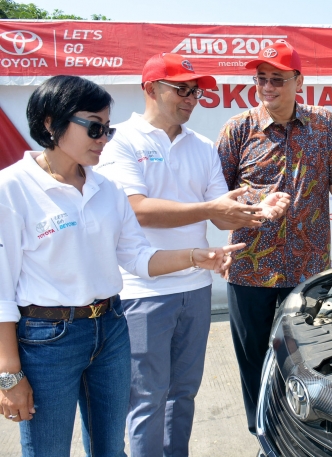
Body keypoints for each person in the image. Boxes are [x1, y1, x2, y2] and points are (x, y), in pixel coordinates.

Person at [0, 75, 242, 457]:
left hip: (110, 329)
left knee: (111, 448)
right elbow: (1, 292)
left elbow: (137, 258)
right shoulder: (12, 188)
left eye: (107, 129)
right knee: (48, 448)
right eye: (94, 127)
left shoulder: (106, 188)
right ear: (50, 123)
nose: (103, 139)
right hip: (47, 339)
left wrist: (196, 257)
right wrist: (9, 374)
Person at [96, 53, 290, 456]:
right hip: (142, 290)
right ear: (150, 88)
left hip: (196, 286)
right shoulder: (122, 141)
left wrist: (258, 210)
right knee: (147, 397)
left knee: (182, 394)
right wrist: (210, 210)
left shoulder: (201, 146)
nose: (190, 98)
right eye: (181, 89)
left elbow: (222, 215)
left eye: (196, 91)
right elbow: (138, 208)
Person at [215, 40, 332, 434]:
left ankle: (302, 432)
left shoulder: (324, 125)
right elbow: (215, 198)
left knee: (306, 359)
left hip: (307, 270)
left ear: (299, 81)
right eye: (262, 80)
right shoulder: (237, 130)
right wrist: (255, 208)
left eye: (277, 79)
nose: (268, 87)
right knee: (254, 360)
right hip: (251, 272)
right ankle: (262, 433)